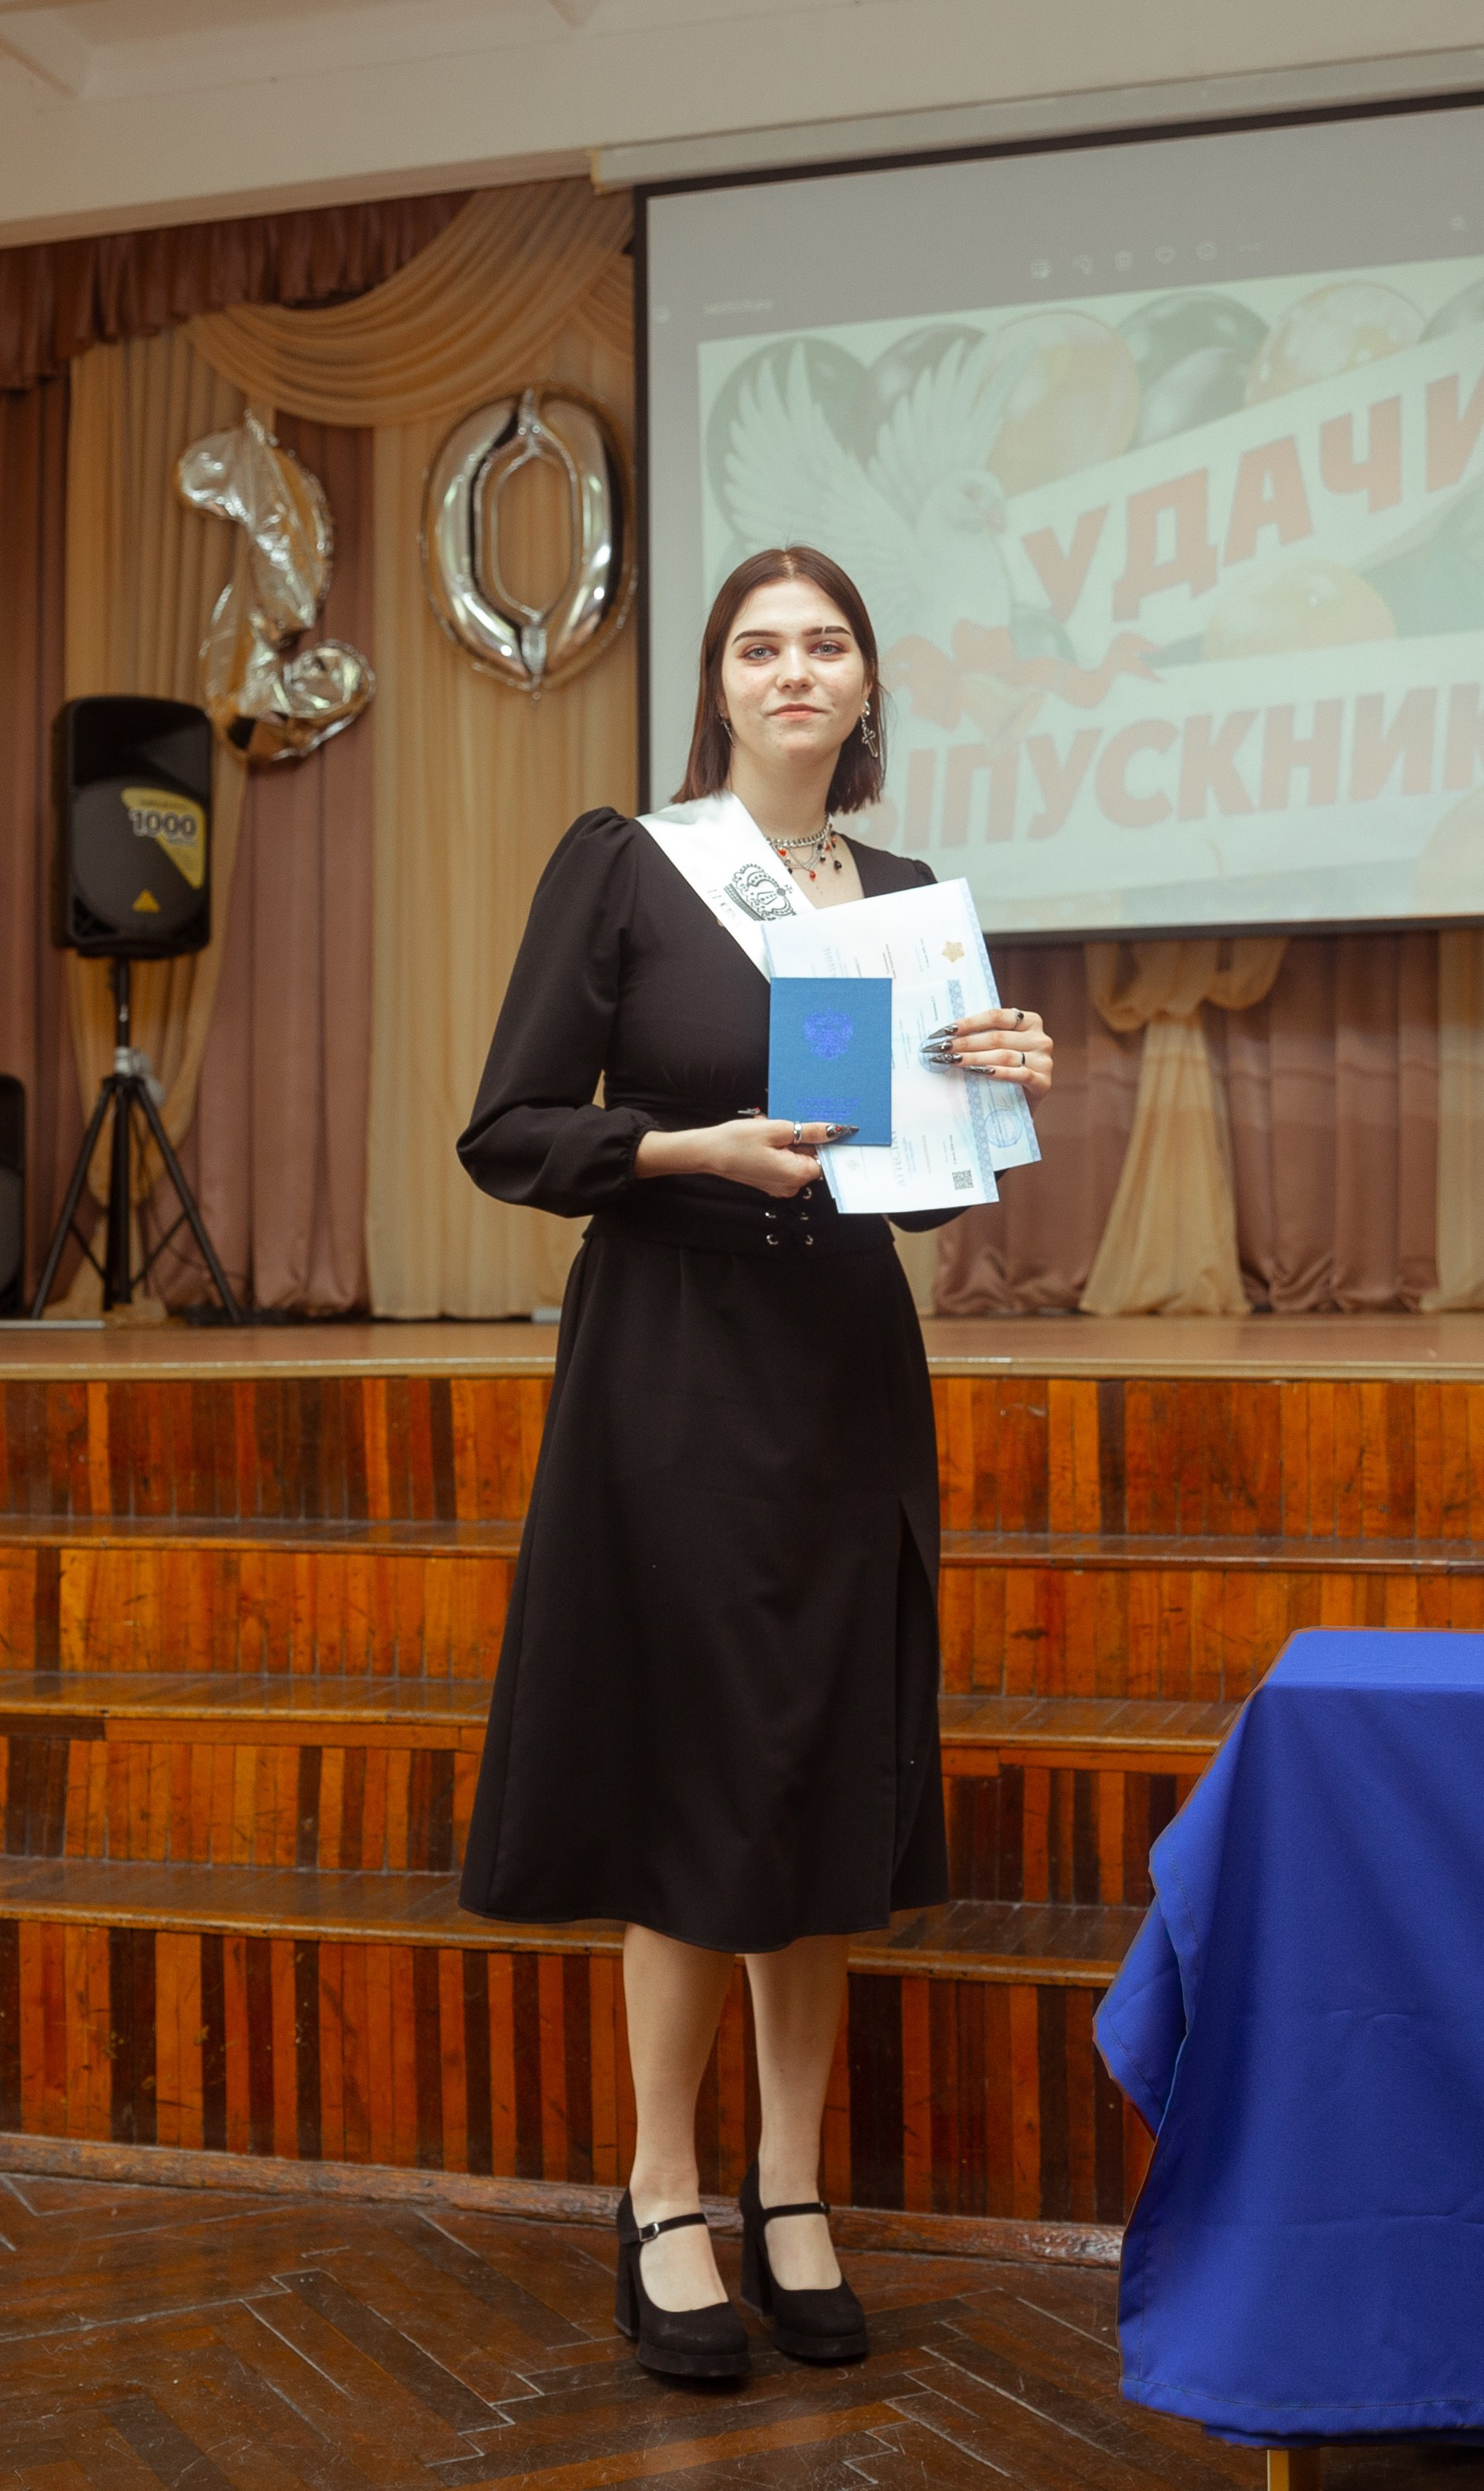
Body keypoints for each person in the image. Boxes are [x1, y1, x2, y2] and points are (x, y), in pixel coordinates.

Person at [456, 545, 1054, 2380]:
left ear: (867, 686)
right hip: (678, 1368)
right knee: (702, 1775)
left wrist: (1001, 1082)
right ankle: (661, 2188)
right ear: (716, 685)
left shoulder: (902, 899)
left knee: (822, 1770)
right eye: (758, 645)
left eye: (826, 644)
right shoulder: (625, 863)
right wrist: (687, 1148)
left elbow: (923, 1180)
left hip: (845, 1368)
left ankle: (791, 2189)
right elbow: (508, 1130)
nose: (793, 669)